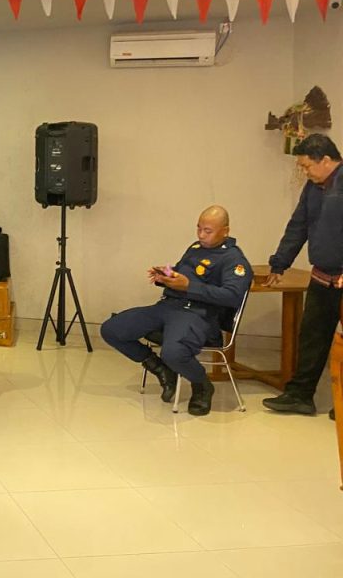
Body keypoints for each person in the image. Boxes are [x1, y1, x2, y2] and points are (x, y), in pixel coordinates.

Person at [100, 206, 252, 416]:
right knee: (112, 329)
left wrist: (189, 287)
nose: (201, 235)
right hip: (167, 306)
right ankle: (160, 368)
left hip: (197, 314)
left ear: (225, 231)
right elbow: (181, 274)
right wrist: (166, 276)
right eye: (198, 228)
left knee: (173, 353)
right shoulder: (195, 248)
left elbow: (232, 296)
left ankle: (202, 385)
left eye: (207, 231)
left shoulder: (234, 260)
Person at [262, 133, 343, 418]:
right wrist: (279, 264)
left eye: (307, 166)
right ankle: (299, 395)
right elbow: (298, 226)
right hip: (322, 277)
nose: (304, 172)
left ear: (326, 160)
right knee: (311, 337)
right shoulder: (313, 188)